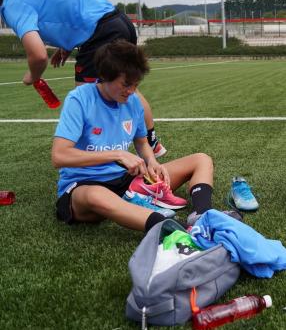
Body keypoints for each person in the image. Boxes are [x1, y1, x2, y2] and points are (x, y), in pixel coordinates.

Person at [0, 0, 166, 157]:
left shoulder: (11, 3)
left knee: (87, 96)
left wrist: (32, 76)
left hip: (101, 33)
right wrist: (68, 43)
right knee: (128, 87)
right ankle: (150, 143)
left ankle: (97, 155)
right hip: (117, 22)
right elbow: (64, 8)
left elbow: (38, 55)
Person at [51, 40, 221, 232]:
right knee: (97, 196)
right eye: (126, 84)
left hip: (129, 184)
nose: (131, 91)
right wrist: (117, 155)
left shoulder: (133, 102)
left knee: (201, 159)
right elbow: (59, 156)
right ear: (105, 76)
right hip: (83, 187)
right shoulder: (79, 99)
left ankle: (203, 215)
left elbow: (141, 142)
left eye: (136, 84)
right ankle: (183, 230)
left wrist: (151, 162)